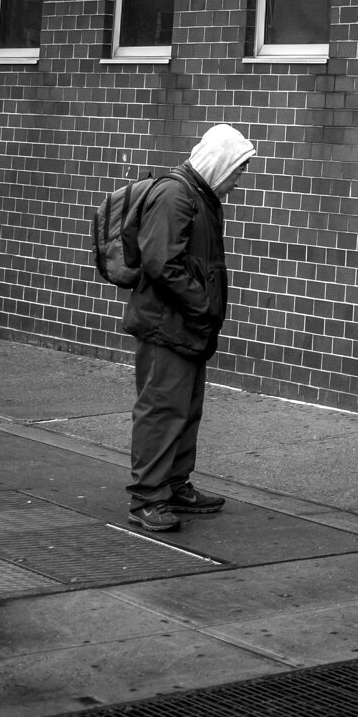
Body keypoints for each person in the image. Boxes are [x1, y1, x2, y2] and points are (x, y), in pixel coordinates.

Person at [120, 123, 255, 533]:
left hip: (186, 324)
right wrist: (202, 306)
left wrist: (203, 313)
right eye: (236, 171)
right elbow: (163, 264)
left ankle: (175, 484)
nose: (237, 181)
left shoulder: (199, 196)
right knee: (162, 410)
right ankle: (148, 497)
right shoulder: (175, 195)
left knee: (184, 410)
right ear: (218, 165)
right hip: (169, 324)